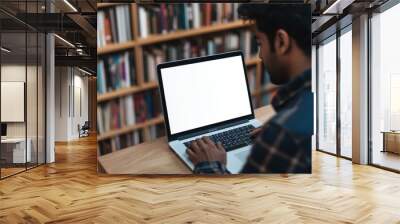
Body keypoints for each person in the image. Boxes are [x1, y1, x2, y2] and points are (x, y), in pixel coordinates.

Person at [186, 3, 313, 174]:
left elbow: (240, 199)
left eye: (260, 42)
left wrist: (210, 165)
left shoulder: (283, 135)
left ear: (281, 41)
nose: (260, 55)